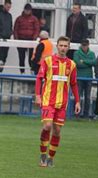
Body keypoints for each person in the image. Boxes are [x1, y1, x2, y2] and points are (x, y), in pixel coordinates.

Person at [35, 36, 80, 167]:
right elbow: (39, 78)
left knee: (57, 131)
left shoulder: (71, 65)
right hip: (48, 101)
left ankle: (50, 158)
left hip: (62, 103)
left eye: (65, 46)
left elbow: (74, 84)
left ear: (68, 48)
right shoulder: (48, 61)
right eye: (61, 45)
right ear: (57, 46)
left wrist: (77, 101)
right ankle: (43, 155)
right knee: (47, 126)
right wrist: (38, 95)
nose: (63, 48)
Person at [13, 3, 39, 74]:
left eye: (28, 10)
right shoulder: (19, 19)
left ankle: (32, 71)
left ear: (31, 11)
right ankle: (22, 72)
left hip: (31, 40)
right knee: (21, 57)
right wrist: (16, 40)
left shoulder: (34, 19)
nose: (27, 11)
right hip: (21, 39)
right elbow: (15, 29)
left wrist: (34, 38)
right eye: (26, 10)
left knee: (31, 58)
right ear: (24, 10)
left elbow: (36, 29)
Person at [73, 39, 96, 118]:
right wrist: (88, 63)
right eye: (83, 45)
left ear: (88, 45)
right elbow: (77, 63)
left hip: (88, 78)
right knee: (77, 96)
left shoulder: (92, 53)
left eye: (85, 45)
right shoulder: (76, 53)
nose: (84, 47)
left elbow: (94, 62)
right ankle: (76, 114)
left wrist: (84, 61)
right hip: (79, 77)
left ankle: (86, 114)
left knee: (87, 97)